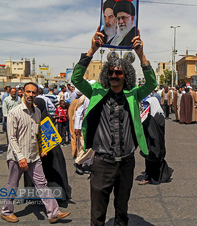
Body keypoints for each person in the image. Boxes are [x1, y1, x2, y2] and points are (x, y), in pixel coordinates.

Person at [72, 28, 157, 225]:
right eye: (111, 72)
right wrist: (92, 50)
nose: (114, 75)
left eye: (119, 72)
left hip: (126, 163)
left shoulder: (133, 94)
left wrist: (141, 55)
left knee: (122, 212)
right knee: (98, 214)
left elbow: (151, 83)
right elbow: (76, 79)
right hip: (102, 163)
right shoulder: (96, 92)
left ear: (125, 74)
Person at [0, 82, 70, 223]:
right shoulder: (15, 112)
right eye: (28, 92)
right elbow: (11, 138)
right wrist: (20, 158)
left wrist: (42, 149)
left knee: (42, 184)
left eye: (33, 92)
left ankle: (53, 213)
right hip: (17, 157)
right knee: (13, 184)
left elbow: (37, 134)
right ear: (23, 93)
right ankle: (6, 211)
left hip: (33, 156)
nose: (31, 95)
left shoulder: (37, 112)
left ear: (36, 94)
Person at [23, 95, 72, 202]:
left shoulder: (45, 120)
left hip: (49, 153)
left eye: (36, 105)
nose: (34, 107)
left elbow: (50, 139)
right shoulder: (32, 117)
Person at [139, 97, 173, 185]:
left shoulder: (159, 116)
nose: (147, 106)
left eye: (149, 104)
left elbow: (156, 129)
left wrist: (148, 120)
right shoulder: (151, 115)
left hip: (157, 142)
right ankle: (151, 176)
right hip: (151, 141)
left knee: (156, 158)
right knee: (150, 159)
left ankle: (150, 177)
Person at [73, 89, 95, 175]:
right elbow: (79, 113)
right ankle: (78, 162)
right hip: (87, 125)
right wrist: (77, 127)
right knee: (88, 146)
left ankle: (89, 164)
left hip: (93, 125)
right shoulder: (85, 97)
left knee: (90, 147)